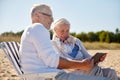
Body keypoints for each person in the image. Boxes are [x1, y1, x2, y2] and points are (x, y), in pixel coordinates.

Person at [19, 4, 110, 80]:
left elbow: (49, 59)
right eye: (49, 16)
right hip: (52, 76)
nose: (52, 20)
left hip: (51, 75)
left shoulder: (31, 31)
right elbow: (53, 61)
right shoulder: (38, 28)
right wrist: (81, 65)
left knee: (109, 73)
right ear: (37, 16)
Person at [51, 18, 120, 80]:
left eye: (67, 30)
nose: (65, 33)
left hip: (87, 68)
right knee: (95, 69)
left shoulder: (76, 41)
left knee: (111, 72)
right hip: (71, 72)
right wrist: (81, 65)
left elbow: (87, 55)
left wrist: (97, 59)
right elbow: (62, 63)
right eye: (62, 31)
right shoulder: (52, 44)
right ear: (55, 30)